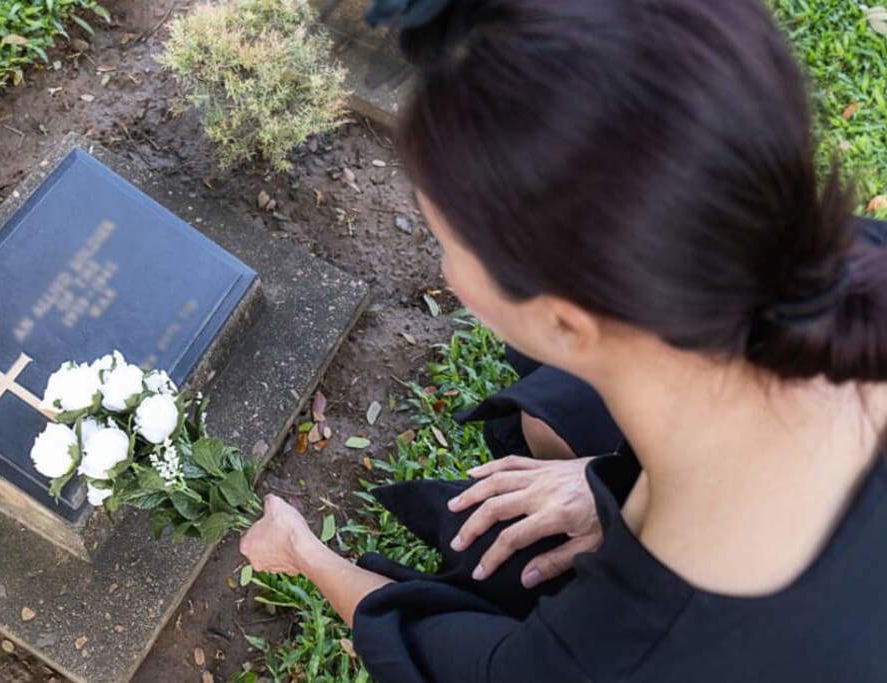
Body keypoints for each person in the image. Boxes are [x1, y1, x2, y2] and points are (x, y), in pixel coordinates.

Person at [240, 0, 887, 680]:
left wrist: (305, 551)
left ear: (567, 320)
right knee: (551, 419)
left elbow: (477, 670)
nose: (447, 272)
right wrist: (605, 478)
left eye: (447, 243)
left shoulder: (627, 655)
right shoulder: (834, 258)